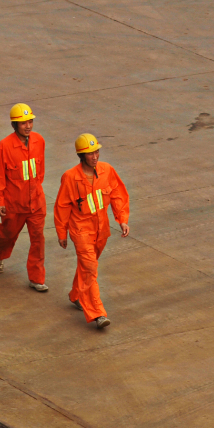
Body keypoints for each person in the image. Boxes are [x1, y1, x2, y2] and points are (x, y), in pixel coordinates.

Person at [54, 133, 130, 329]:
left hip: (101, 230)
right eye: (90, 153)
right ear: (81, 155)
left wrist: (122, 219)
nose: (95, 156)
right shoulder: (70, 177)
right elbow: (62, 206)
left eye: (96, 151)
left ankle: (76, 295)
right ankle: (98, 313)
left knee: (88, 267)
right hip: (81, 231)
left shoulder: (107, 171)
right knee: (90, 268)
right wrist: (62, 233)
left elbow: (117, 194)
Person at [0, 103, 48, 292]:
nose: (28, 126)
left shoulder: (39, 141)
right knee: (8, 235)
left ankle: (36, 279)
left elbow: (40, 172)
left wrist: (35, 191)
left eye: (30, 121)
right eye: (23, 123)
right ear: (15, 125)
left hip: (36, 204)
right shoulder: (5, 147)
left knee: (38, 240)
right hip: (14, 205)